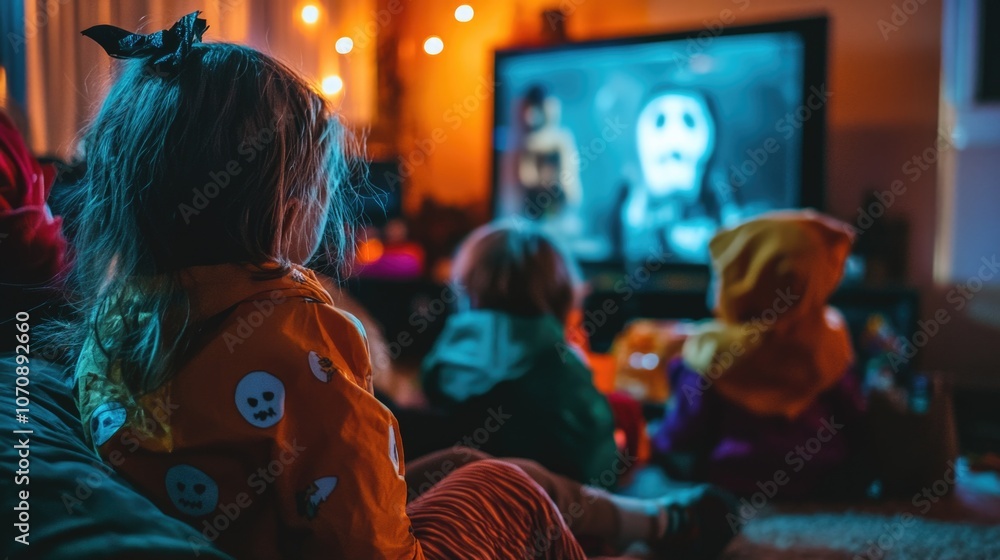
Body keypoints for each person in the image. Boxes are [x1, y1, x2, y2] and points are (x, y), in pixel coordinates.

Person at [67, 12, 737, 560]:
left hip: (278, 529)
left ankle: (655, 524)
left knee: (464, 462)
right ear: (285, 207)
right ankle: (654, 527)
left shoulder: (116, 314)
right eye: (319, 182)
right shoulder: (301, 334)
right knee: (502, 481)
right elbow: (370, 540)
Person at [652, 210, 867, 500]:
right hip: (821, 475)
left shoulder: (712, 349)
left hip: (736, 473)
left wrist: (658, 440)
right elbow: (854, 415)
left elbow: (684, 430)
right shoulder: (829, 341)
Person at [421, 222, 620, 485]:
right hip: (552, 504)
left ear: (469, 286)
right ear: (561, 292)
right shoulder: (563, 368)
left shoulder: (446, 355)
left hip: (460, 496)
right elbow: (599, 468)